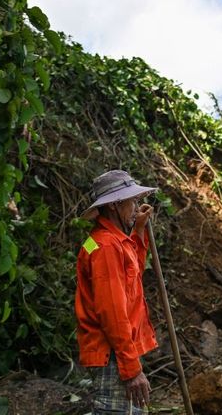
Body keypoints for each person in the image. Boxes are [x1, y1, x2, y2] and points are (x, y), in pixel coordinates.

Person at [76, 169, 159, 414]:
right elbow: (111, 311)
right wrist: (132, 370)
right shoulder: (105, 247)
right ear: (114, 205)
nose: (135, 207)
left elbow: (131, 279)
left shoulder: (111, 241)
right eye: (132, 201)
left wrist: (139, 231)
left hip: (118, 351)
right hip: (113, 353)